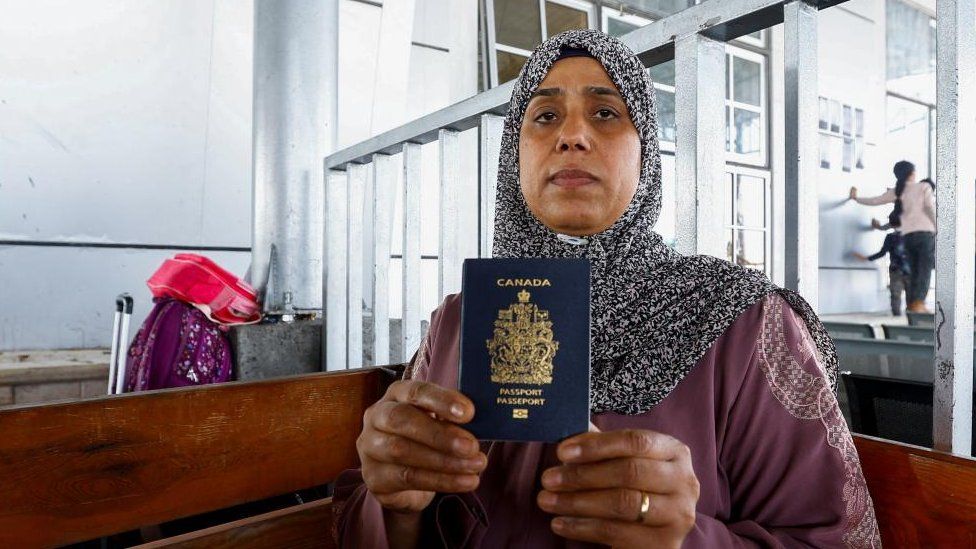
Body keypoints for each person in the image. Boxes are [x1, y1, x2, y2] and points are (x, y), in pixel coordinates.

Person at [334, 30, 880, 548]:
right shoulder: (459, 320)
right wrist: (396, 506)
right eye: (545, 116)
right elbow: (373, 520)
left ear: (645, 156)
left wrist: (687, 540)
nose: (572, 135)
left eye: (605, 112)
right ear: (512, 159)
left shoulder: (741, 322)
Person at [850, 161, 936, 313]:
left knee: (914, 270)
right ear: (911, 173)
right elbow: (929, 207)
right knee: (924, 270)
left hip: (908, 236)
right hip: (925, 235)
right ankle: (918, 302)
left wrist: (856, 199)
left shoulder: (898, 191)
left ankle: (912, 305)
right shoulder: (924, 187)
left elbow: (875, 200)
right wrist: (939, 227)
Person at [852, 212, 911, 316]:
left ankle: (896, 317)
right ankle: (912, 318)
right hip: (911, 269)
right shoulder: (912, 235)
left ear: (891, 223)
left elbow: (882, 253)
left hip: (895, 269)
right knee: (912, 295)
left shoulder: (890, 237)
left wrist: (866, 258)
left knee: (895, 294)